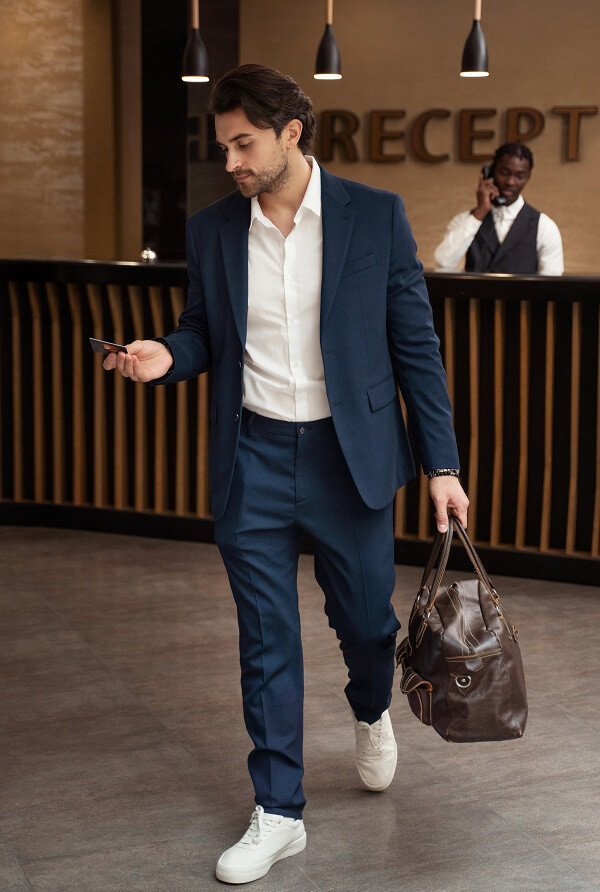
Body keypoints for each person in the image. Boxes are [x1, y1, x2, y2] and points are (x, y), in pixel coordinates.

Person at [103, 64, 469, 885]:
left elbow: (416, 346)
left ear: (291, 133)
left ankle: (370, 708)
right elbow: (203, 331)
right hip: (254, 459)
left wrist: (442, 464)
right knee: (266, 639)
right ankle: (279, 812)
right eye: (223, 145)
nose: (231, 160)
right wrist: (168, 355)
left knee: (367, 627)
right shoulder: (212, 230)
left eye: (244, 144)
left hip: (350, 459)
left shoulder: (374, 216)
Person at [434, 142, 563, 275]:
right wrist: (481, 212)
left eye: (519, 176)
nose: (510, 182)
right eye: (504, 173)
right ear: (491, 172)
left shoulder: (544, 226)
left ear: (528, 177)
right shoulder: (465, 220)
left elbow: (552, 281)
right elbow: (443, 262)